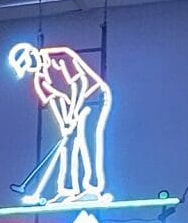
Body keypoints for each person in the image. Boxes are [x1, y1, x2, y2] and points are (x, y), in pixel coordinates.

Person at [7, 42, 113, 207]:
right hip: (72, 107)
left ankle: (92, 189)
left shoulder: (60, 56)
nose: (30, 69)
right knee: (66, 146)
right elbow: (55, 102)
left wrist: (73, 112)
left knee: (87, 140)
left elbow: (79, 84)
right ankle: (67, 191)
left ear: (32, 55)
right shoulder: (40, 80)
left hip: (93, 97)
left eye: (28, 65)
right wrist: (65, 124)